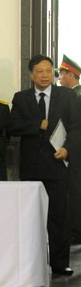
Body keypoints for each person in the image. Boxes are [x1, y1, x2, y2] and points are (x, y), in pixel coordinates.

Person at [9, 54, 81, 276]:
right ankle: (32, 262)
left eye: (49, 71)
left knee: (59, 215)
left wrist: (68, 148)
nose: (44, 75)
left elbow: (77, 127)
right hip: (31, 168)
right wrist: (36, 125)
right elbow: (12, 126)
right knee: (31, 217)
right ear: (31, 74)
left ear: (54, 73)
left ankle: (60, 263)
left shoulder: (67, 96)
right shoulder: (21, 98)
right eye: (39, 71)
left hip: (58, 165)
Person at [57, 54, 81, 244]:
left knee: (75, 191)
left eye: (61, 74)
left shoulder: (76, 96)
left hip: (77, 152)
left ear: (71, 75)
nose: (59, 79)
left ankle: (76, 230)